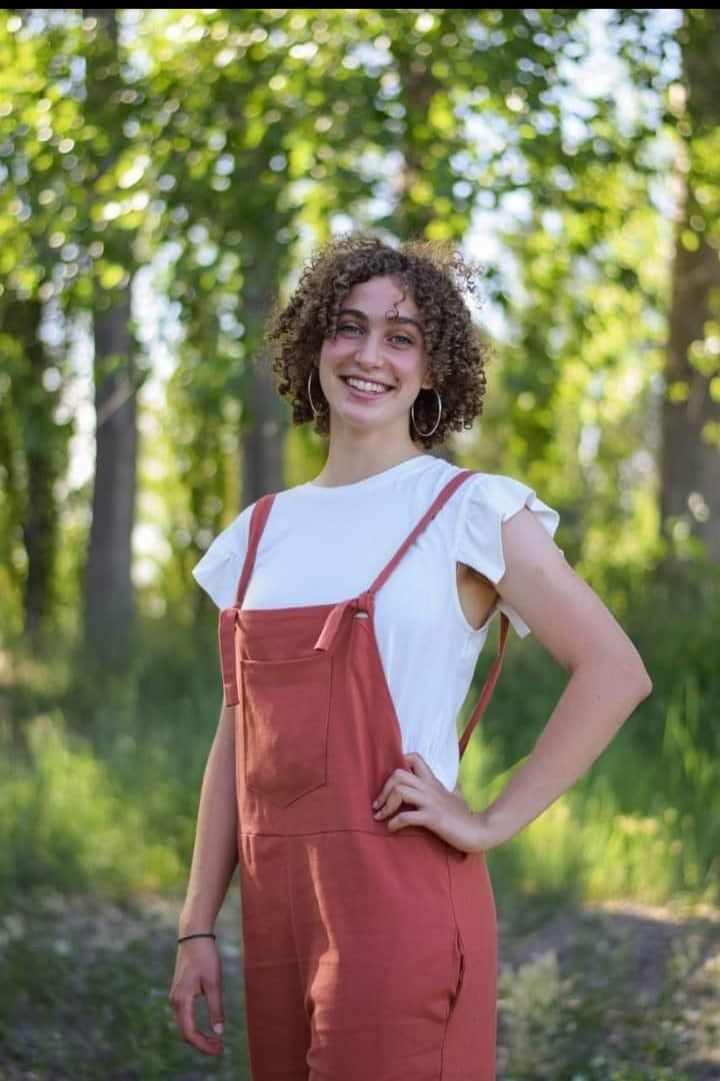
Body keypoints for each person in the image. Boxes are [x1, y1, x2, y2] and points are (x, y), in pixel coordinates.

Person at [168, 233, 652, 1080]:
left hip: (401, 903)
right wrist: (196, 923)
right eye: (349, 327)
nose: (369, 355)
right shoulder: (258, 533)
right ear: (314, 343)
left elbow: (614, 670)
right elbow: (235, 738)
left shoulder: (468, 510)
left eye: (401, 337)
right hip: (276, 913)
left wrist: (489, 821)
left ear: (433, 370)